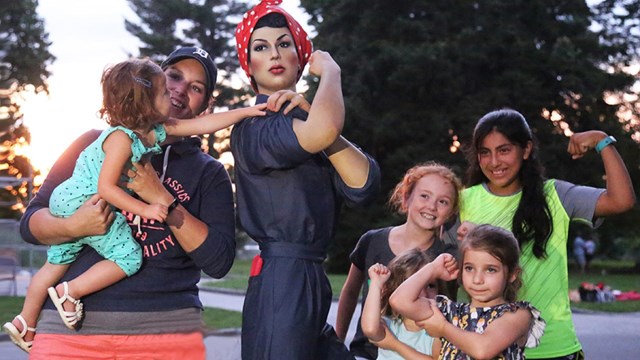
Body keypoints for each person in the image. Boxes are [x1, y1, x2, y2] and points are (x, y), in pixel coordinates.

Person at [7, 46, 270, 359]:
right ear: (152, 83)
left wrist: (162, 198)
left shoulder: (209, 172)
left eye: (196, 87)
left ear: (206, 105)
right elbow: (31, 224)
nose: (179, 89)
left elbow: (218, 262)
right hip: (70, 334)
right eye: (173, 76)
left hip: (165, 332)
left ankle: (28, 318)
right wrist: (72, 226)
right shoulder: (94, 141)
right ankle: (37, 314)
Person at [233, 1, 381, 359]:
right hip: (282, 280)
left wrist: (309, 110)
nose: (275, 54)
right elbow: (326, 128)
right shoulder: (255, 127)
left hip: (311, 277)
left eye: (284, 44)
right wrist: (330, 72)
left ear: (299, 57)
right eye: (261, 47)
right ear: (248, 64)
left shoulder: (306, 125)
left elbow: (365, 183)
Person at [454, 109, 635, 358]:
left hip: (553, 347)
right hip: (487, 346)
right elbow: (443, 269)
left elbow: (621, 200)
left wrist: (602, 141)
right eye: (485, 152)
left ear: (526, 150)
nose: (494, 162)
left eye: (504, 150)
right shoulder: (463, 202)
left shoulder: (555, 196)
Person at [336, 162, 461, 359]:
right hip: (368, 351)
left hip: (425, 352)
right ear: (406, 198)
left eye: (443, 201)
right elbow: (350, 292)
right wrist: (338, 340)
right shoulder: (372, 241)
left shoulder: (449, 257)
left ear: (451, 212)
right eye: (424, 196)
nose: (432, 206)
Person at [390, 225, 547, 360]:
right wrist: (432, 268)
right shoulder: (449, 311)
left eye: (490, 270)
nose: (477, 279)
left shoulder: (517, 315)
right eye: (469, 268)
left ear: (512, 274)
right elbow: (399, 301)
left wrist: (443, 328)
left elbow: (482, 349)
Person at [361, 249, 441, 360]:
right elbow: (369, 329)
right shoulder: (390, 326)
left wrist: (394, 345)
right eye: (412, 287)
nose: (423, 293)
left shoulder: (439, 330)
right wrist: (376, 284)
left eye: (430, 285)